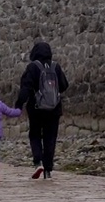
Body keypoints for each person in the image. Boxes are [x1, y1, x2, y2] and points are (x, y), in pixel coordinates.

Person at [14, 41, 69, 179]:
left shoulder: (33, 67)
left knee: (35, 135)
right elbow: (64, 86)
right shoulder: (55, 67)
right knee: (50, 138)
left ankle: (38, 162)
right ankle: (48, 170)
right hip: (54, 109)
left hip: (36, 109)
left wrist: (19, 105)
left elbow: (25, 88)